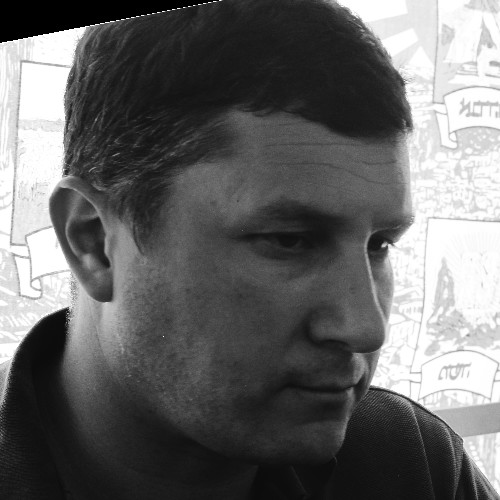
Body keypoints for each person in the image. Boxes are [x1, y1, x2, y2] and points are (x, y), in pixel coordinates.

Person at [1, 1, 498, 498]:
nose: (365, 328)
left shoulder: (409, 463)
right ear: (93, 242)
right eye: (289, 241)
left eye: (380, 244)